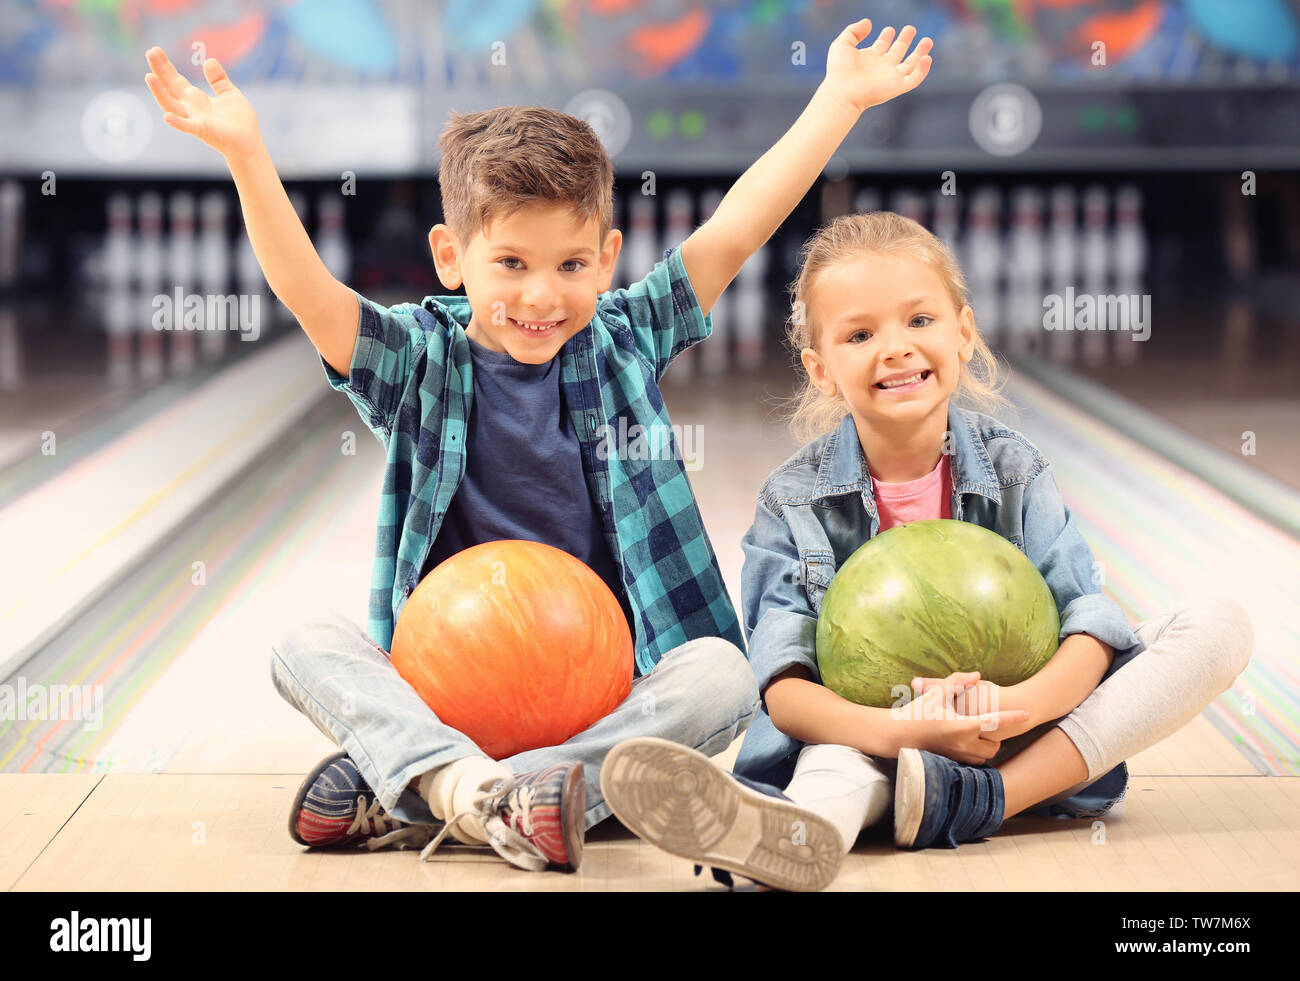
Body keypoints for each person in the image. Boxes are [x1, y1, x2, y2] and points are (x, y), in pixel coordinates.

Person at [139, 17, 929, 882]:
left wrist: (837, 99)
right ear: (451, 256)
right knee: (300, 638)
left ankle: (442, 789)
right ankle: (501, 788)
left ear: (607, 260)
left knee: (726, 674)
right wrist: (248, 155)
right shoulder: (419, 363)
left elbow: (739, 225)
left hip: (604, 693)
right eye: (510, 262)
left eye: (569, 266)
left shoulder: (625, 337)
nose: (541, 295)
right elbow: (310, 292)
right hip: (455, 688)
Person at [607, 210, 1254, 888]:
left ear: (964, 332)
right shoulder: (791, 502)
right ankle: (787, 836)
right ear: (820, 369)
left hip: (1019, 729)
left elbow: (1089, 630)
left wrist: (1014, 709)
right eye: (860, 334)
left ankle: (990, 797)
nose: (895, 348)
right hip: (873, 737)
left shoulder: (1014, 469)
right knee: (833, 766)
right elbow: (788, 694)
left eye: (920, 321)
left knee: (1216, 626)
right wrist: (908, 732)